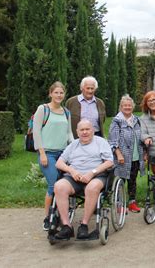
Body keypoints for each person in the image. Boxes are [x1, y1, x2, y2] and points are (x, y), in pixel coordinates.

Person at [53, 120, 114, 240]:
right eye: (82, 130)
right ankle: (66, 226)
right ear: (77, 132)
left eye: (87, 129)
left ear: (93, 130)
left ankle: (84, 225)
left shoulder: (101, 142)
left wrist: (92, 173)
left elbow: (109, 162)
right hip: (74, 177)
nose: (85, 132)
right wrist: (72, 171)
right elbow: (59, 163)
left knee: (92, 188)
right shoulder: (73, 145)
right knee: (59, 186)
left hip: (96, 176)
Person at [33, 81, 74, 231]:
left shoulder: (66, 112)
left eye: (61, 93)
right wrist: (42, 153)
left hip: (63, 154)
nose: (58, 95)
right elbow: (36, 132)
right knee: (53, 184)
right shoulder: (43, 109)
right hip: (48, 153)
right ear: (50, 94)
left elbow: (69, 133)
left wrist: (76, 147)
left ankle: (61, 211)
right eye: (56, 92)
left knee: (66, 184)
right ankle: (48, 216)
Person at [108, 95, 145, 213]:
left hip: (135, 157)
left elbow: (142, 137)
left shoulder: (137, 120)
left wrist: (144, 153)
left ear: (133, 107)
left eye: (129, 105)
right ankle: (119, 205)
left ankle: (132, 203)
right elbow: (113, 141)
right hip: (122, 158)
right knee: (121, 181)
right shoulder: (116, 121)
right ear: (121, 107)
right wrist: (118, 154)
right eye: (125, 105)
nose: (127, 107)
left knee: (133, 181)